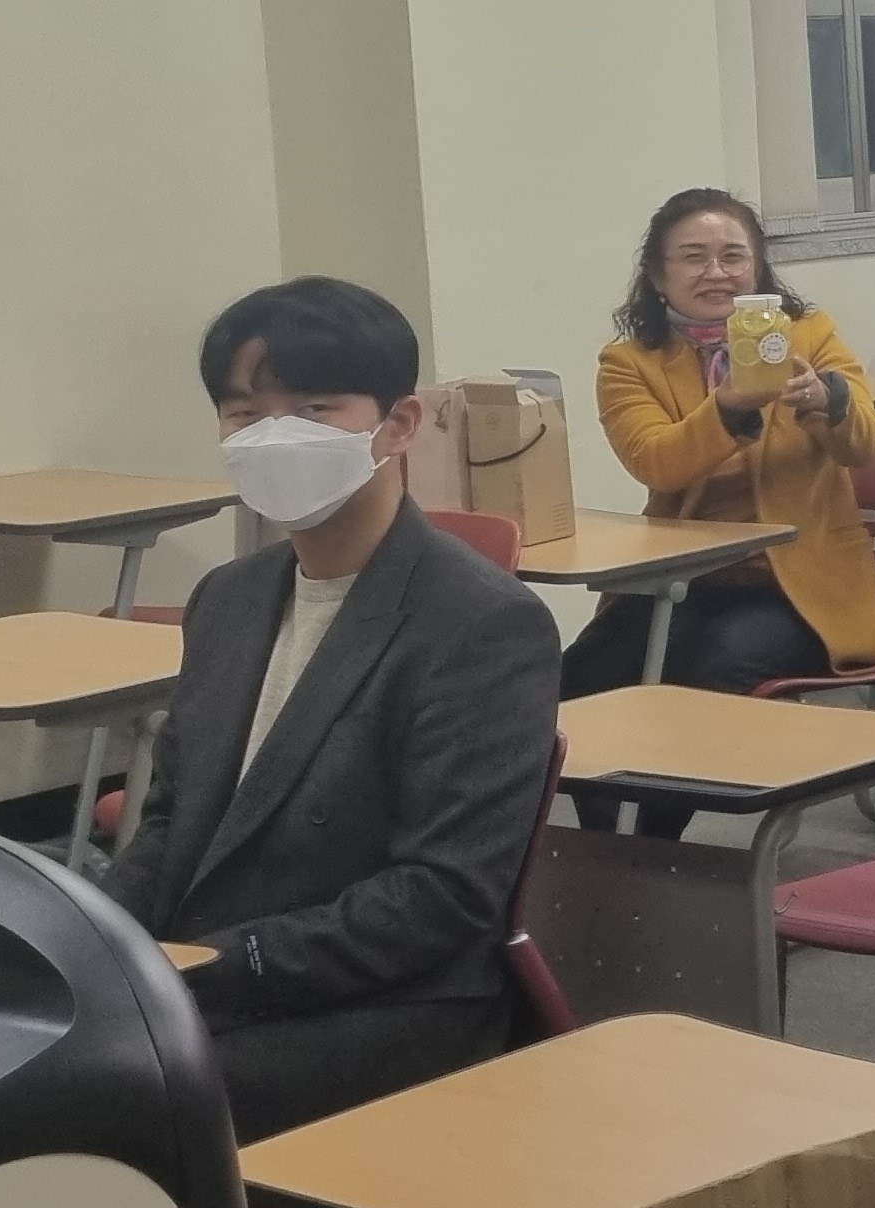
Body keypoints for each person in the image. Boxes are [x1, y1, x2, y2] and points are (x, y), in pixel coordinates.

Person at [102, 277, 558, 1141]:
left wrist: (214, 965)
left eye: (315, 409)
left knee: (99, 1104)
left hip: (385, 1005)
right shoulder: (228, 599)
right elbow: (172, 821)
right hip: (215, 974)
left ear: (401, 423)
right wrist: (93, 936)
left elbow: (446, 897)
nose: (276, 437)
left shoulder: (481, 621)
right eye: (245, 415)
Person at [565, 190, 875, 732]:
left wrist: (824, 400)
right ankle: (595, 791)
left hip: (797, 589)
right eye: (694, 258)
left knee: (712, 669)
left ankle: (670, 791)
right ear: (658, 275)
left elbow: (867, 445)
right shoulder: (628, 364)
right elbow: (655, 462)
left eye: (733, 257)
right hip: (683, 583)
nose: (716, 273)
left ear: (757, 267)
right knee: (581, 678)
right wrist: (728, 408)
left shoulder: (809, 335)